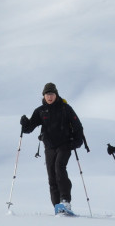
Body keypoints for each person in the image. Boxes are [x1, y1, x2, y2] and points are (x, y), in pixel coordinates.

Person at [20, 82, 86, 215]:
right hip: (49, 147)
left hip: (65, 145)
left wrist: (76, 143)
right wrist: (25, 123)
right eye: (47, 94)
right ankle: (57, 207)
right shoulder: (40, 111)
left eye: (51, 94)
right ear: (43, 96)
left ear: (56, 94)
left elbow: (78, 126)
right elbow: (29, 128)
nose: (49, 97)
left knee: (59, 168)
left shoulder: (65, 108)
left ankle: (65, 201)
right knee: (51, 176)